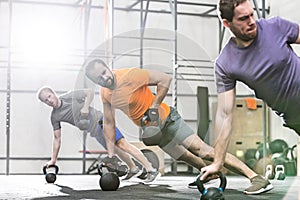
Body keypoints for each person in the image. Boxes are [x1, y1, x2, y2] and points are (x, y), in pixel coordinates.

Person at [84, 58, 273, 194]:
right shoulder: (105, 93)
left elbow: (164, 79)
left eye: (104, 73)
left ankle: (256, 178)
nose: (104, 78)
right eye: (99, 79)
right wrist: (111, 153)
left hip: (168, 119)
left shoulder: (130, 75)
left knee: (204, 151)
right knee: (186, 157)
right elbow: (109, 122)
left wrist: (154, 106)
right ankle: (209, 175)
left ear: (108, 67)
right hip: (153, 131)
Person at [200, 0, 300, 190]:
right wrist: (218, 161)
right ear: (227, 23)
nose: (252, 21)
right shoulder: (226, 63)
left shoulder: (275, 27)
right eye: (244, 18)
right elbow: (224, 114)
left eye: (252, 14)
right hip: (295, 118)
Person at [37, 86, 159, 182]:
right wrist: (53, 160)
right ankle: (133, 168)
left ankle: (150, 169)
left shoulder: (70, 96)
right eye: (46, 100)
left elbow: (89, 92)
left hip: (102, 120)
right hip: (94, 131)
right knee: (117, 149)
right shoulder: (55, 116)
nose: (49, 101)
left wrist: (85, 107)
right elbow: (57, 139)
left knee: (122, 144)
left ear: (53, 93)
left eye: (49, 96)